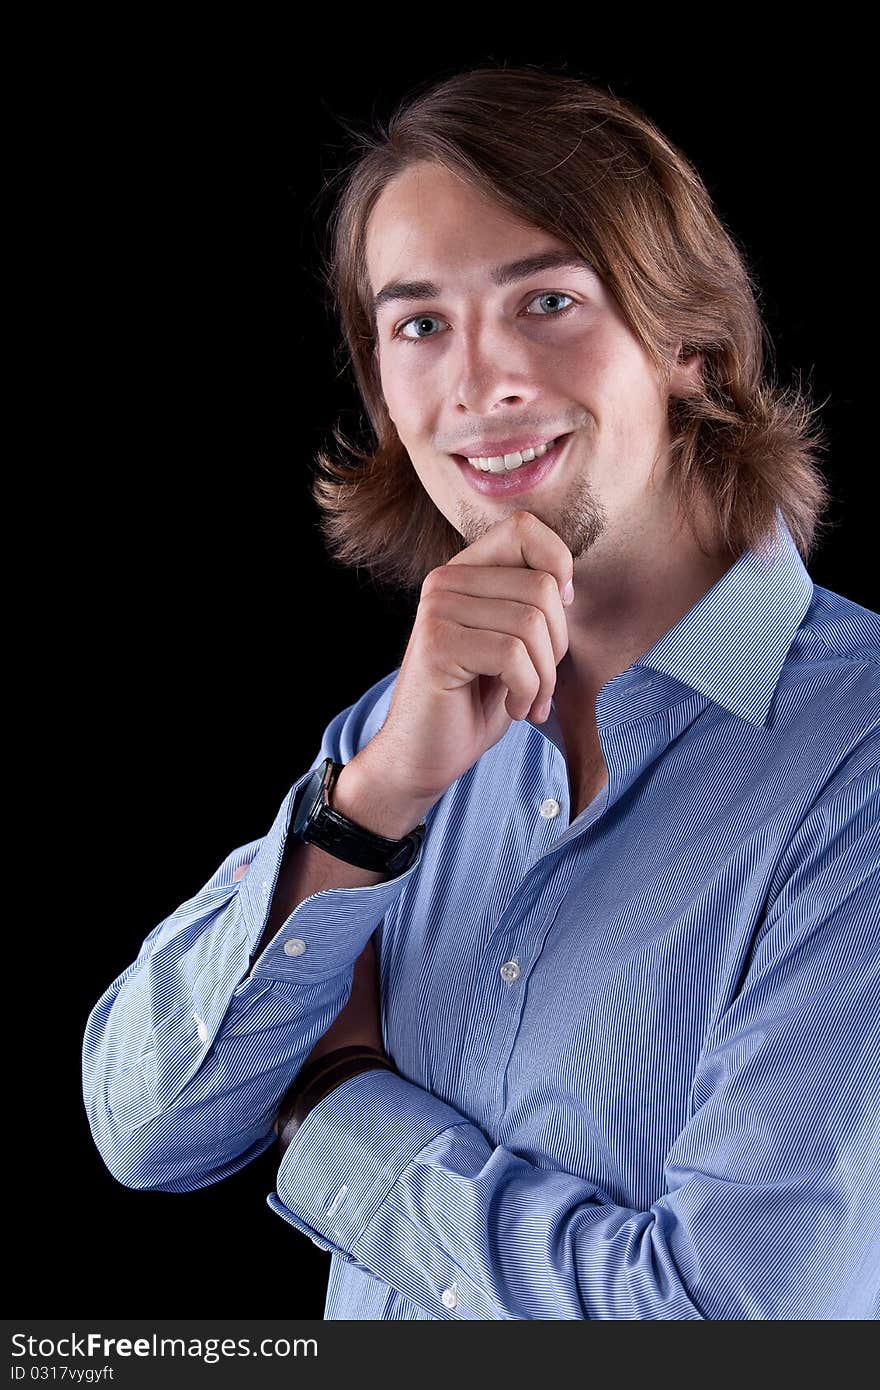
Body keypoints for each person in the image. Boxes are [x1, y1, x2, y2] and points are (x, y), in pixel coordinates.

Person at [82, 65, 879, 1320]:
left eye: (548, 299)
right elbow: (147, 1126)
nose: (480, 382)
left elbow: (728, 1325)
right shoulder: (398, 742)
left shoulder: (859, 762)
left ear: (690, 345)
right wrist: (371, 802)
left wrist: (335, 1100)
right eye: (418, 325)